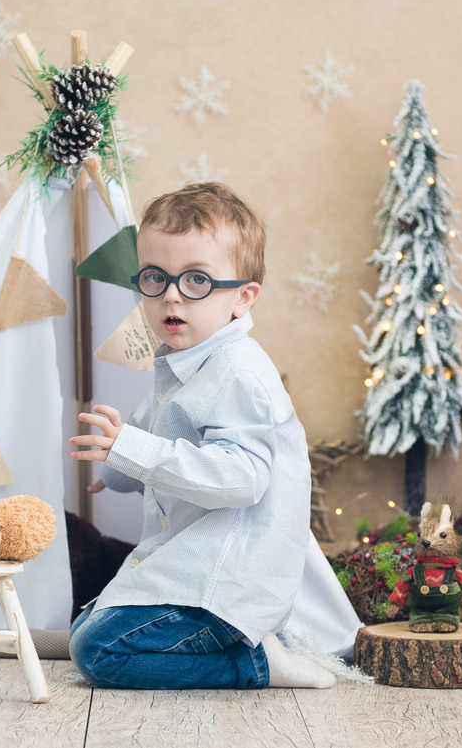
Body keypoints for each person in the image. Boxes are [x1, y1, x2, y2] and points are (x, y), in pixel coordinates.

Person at [68, 182, 359, 690]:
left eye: (197, 280)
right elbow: (150, 423)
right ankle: (245, 651)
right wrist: (115, 475)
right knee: (84, 629)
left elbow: (243, 477)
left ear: (242, 298)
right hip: (190, 562)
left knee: (100, 652)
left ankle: (258, 664)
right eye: (155, 278)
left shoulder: (238, 374)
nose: (171, 295)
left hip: (226, 575)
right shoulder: (188, 362)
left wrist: (131, 452)